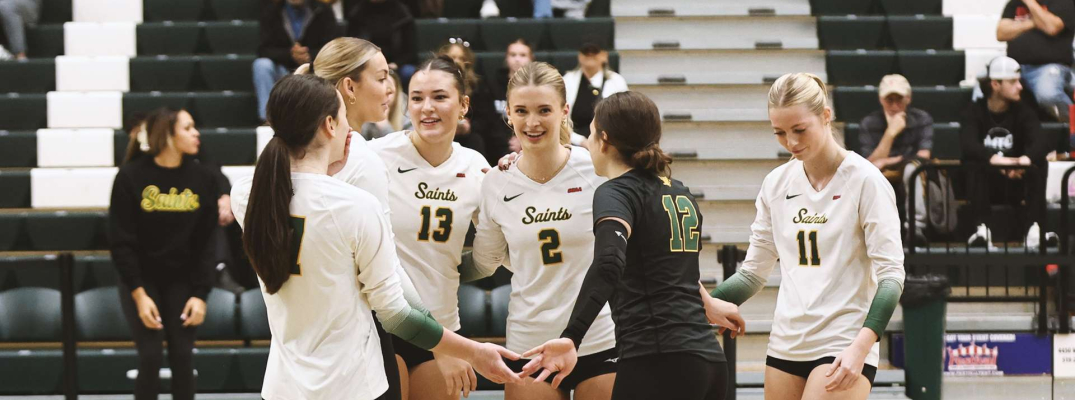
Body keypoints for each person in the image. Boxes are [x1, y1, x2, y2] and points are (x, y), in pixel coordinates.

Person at [230, 74, 521, 400]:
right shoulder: (354, 206)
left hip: (284, 386)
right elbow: (396, 315)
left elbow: (292, 185)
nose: (349, 131)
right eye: (342, 119)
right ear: (329, 125)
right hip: (351, 384)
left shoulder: (246, 195)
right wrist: (472, 351)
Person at [519, 91, 737, 400]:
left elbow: (609, 263)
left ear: (605, 140)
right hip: (709, 359)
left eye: (592, 134)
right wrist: (708, 303)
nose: (587, 142)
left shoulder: (615, 193)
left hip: (656, 360)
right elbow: (670, 270)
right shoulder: (680, 192)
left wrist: (571, 337)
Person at [705, 73, 905, 400]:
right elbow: (753, 273)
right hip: (786, 341)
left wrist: (863, 345)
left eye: (799, 130)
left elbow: (892, 275)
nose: (791, 142)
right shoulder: (776, 184)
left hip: (844, 341)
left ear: (826, 116)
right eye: (780, 133)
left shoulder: (866, 180)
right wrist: (710, 303)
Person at [468, 61, 618, 400]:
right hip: (529, 341)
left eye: (544, 110)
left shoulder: (595, 170)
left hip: (596, 338)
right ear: (508, 113)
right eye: (521, 110)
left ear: (564, 111)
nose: (532, 122)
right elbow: (488, 259)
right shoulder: (495, 182)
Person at [359, 55, 493, 400]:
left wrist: (452, 271)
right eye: (416, 98)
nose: (426, 108)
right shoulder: (375, 156)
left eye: (439, 97)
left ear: (463, 104)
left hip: (444, 324)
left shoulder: (476, 167)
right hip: (384, 323)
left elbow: (494, 255)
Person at [299, 36, 415, 400]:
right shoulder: (362, 160)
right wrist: (442, 339)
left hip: (299, 339)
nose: (390, 87)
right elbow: (388, 271)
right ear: (349, 86)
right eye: (381, 77)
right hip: (353, 340)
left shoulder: (285, 156)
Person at [109, 108, 218, 400]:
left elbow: (208, 242)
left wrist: (200, 294)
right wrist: (139, 294)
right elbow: (121, 243)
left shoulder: (203, 177)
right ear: (168, 135)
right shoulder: (130, 177)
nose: (196, 134)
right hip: (141, 281)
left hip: (183, 280)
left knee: (183, 356)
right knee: (150, 356)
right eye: (188, 128)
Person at [961, 56, 1057, 249]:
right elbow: (968, 144)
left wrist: (1023, 161)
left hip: (1016, 181)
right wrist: (998, 162)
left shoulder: (1023, 110)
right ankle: (981, 230)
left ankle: (1034, 230)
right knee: (973, 163)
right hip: (986, 182)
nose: (1020, 87)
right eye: (1013, 82)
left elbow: (1040, 142)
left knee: (1038, 164)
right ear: (995, 84)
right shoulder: (975, 110)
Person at [855, 74, 933, 243]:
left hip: (910, 169)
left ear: (908, 99)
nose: (894, 105)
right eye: (889, 99)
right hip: (882, 173)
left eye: (899, 99)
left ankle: (915, 227)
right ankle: (874, 232)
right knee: (869, 176)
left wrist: (888, 161)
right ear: (881, 99)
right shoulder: (869, 123)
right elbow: (868, 164)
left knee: (913, 169)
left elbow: (924, 156)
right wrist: (890, 134)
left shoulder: (922, 119)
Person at [254, 0, 339, 123]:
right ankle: (268, 119)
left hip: (314, 72)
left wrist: (309, 55)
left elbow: (332, 47)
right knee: (261, 65)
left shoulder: (322, 10)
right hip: (282, 70)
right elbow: (263, 50)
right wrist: (290, 54)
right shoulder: (272, 11)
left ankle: (323, 117)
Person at [997, 0, 1075, 121]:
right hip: (1014, 67)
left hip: (1049, 67)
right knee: (982, 89)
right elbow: (1001, 33)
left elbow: (1052, 27)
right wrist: (1034, 22)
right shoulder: (1015, 3)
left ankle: (1072, 124)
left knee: (1048, 94)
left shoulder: (1063, 2)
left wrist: (1029, 2)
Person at [440, 39, 504, 164]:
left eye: (461, 58)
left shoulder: (478, 86)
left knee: (476, 140)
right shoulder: (435, 83)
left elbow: (487, 119)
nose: (457, 61)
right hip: (442, 130)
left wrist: (468, 127)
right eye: (453, 57)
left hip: (470, 134)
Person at [563, 43, 628, 145]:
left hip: (608, 143)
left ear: (605, 56)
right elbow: (561, 119)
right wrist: (581, 141)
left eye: (595, 52)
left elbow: (623, 119)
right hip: (573, 144)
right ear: (579, 56)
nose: (590, 55)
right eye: (586, 52)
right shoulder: (567, 80)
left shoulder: (617, 81)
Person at [346, 0, 417, 84]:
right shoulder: (357, 13)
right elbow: (352, 48)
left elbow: (410, 51)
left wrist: (396, 64)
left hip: (397, 64)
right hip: (366, 62)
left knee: (408, 72)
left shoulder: (403, 13)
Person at [488, 39, 535, 157]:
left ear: (531, 58)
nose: (517, 59)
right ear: (506, 58)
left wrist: (523, 139)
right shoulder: (492, 85)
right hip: (498, 143)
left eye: (523, 55)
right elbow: (488, 120)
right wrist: (508, 140)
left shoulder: (538, 86)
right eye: (513, 55)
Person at [362, 69, 410, 140]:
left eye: (389, 89)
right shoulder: (365, 111)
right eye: (380, 88)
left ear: (396, 93)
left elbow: (399, 148)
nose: (384, 94)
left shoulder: (407, 116)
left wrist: (384, 125)